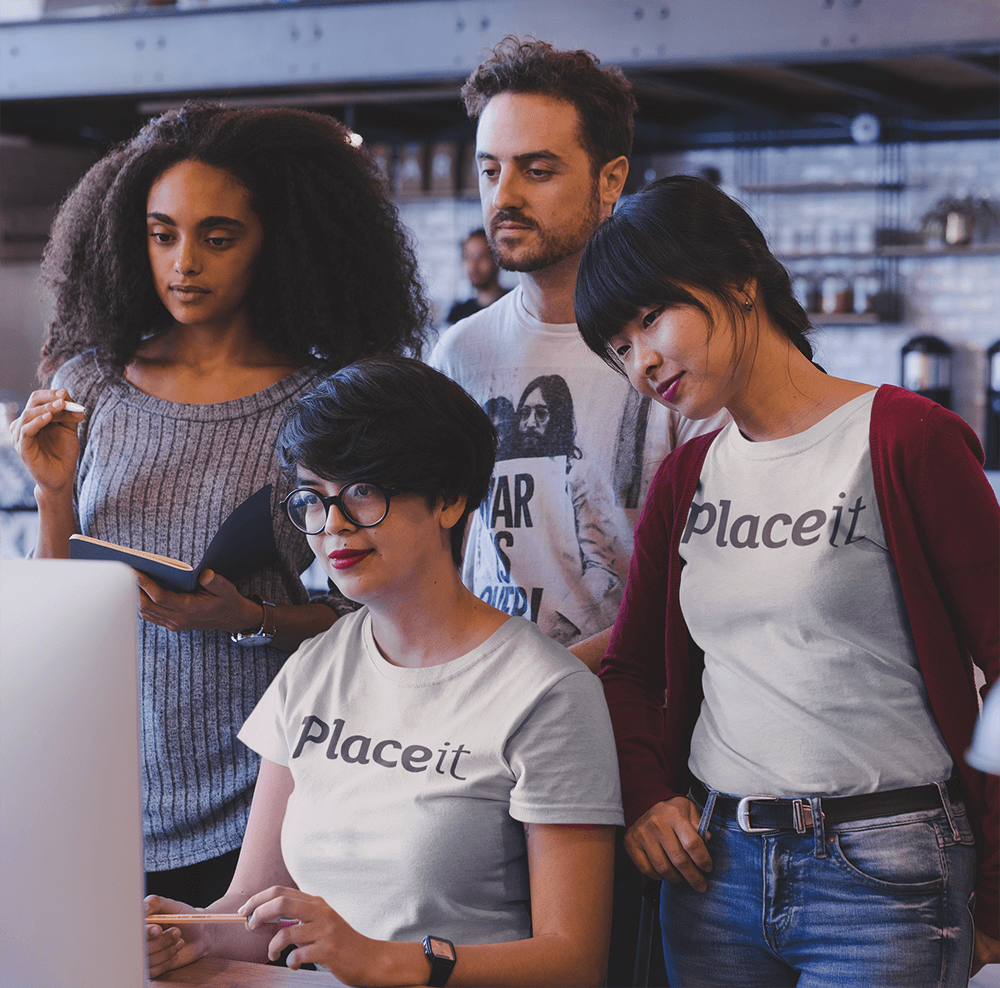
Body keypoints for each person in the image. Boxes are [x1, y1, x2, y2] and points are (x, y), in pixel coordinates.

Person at [574, 173, 1000, 985]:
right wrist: (646, 798)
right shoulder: (688, 476)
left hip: (887, 875)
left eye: (651, 317)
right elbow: (631, 671)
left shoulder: (907, 438)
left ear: (741, 280)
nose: (643, 362)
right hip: (712, 874)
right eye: (620, 347)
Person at [8, 101, 428, 907]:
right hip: (102, 782)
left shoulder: (318, 405)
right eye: (163, 234)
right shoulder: (87, 383)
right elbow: (51, 611)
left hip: (261, 801)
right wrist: (53, 494)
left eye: (218, 236)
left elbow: (374, 621)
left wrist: (246, 618)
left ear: (279, 241)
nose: (184, 263)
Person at [145, 356, 624, 986]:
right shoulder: (314, 665)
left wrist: (385, 960)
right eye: (313, 500)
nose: (333, 525)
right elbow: (253, 905)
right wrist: (190, 933)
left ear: (450, 498)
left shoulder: (550, 693)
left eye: (363, 491)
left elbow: (574, 962)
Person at [430, 37, 727, 671]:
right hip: (482, 711)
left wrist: (551, 678)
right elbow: (438, 546)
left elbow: (711, 577)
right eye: (490, 170)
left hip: (632, 713)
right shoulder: (460, 353)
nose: (503, 196)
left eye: (537, 170)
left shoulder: (674, 352)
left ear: (610, 179)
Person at [446, 228, 509, 324]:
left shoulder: (514, 306)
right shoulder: (458, 314)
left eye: (481, 256)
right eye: (468, 257)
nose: (473, 265)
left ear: (498, 260)